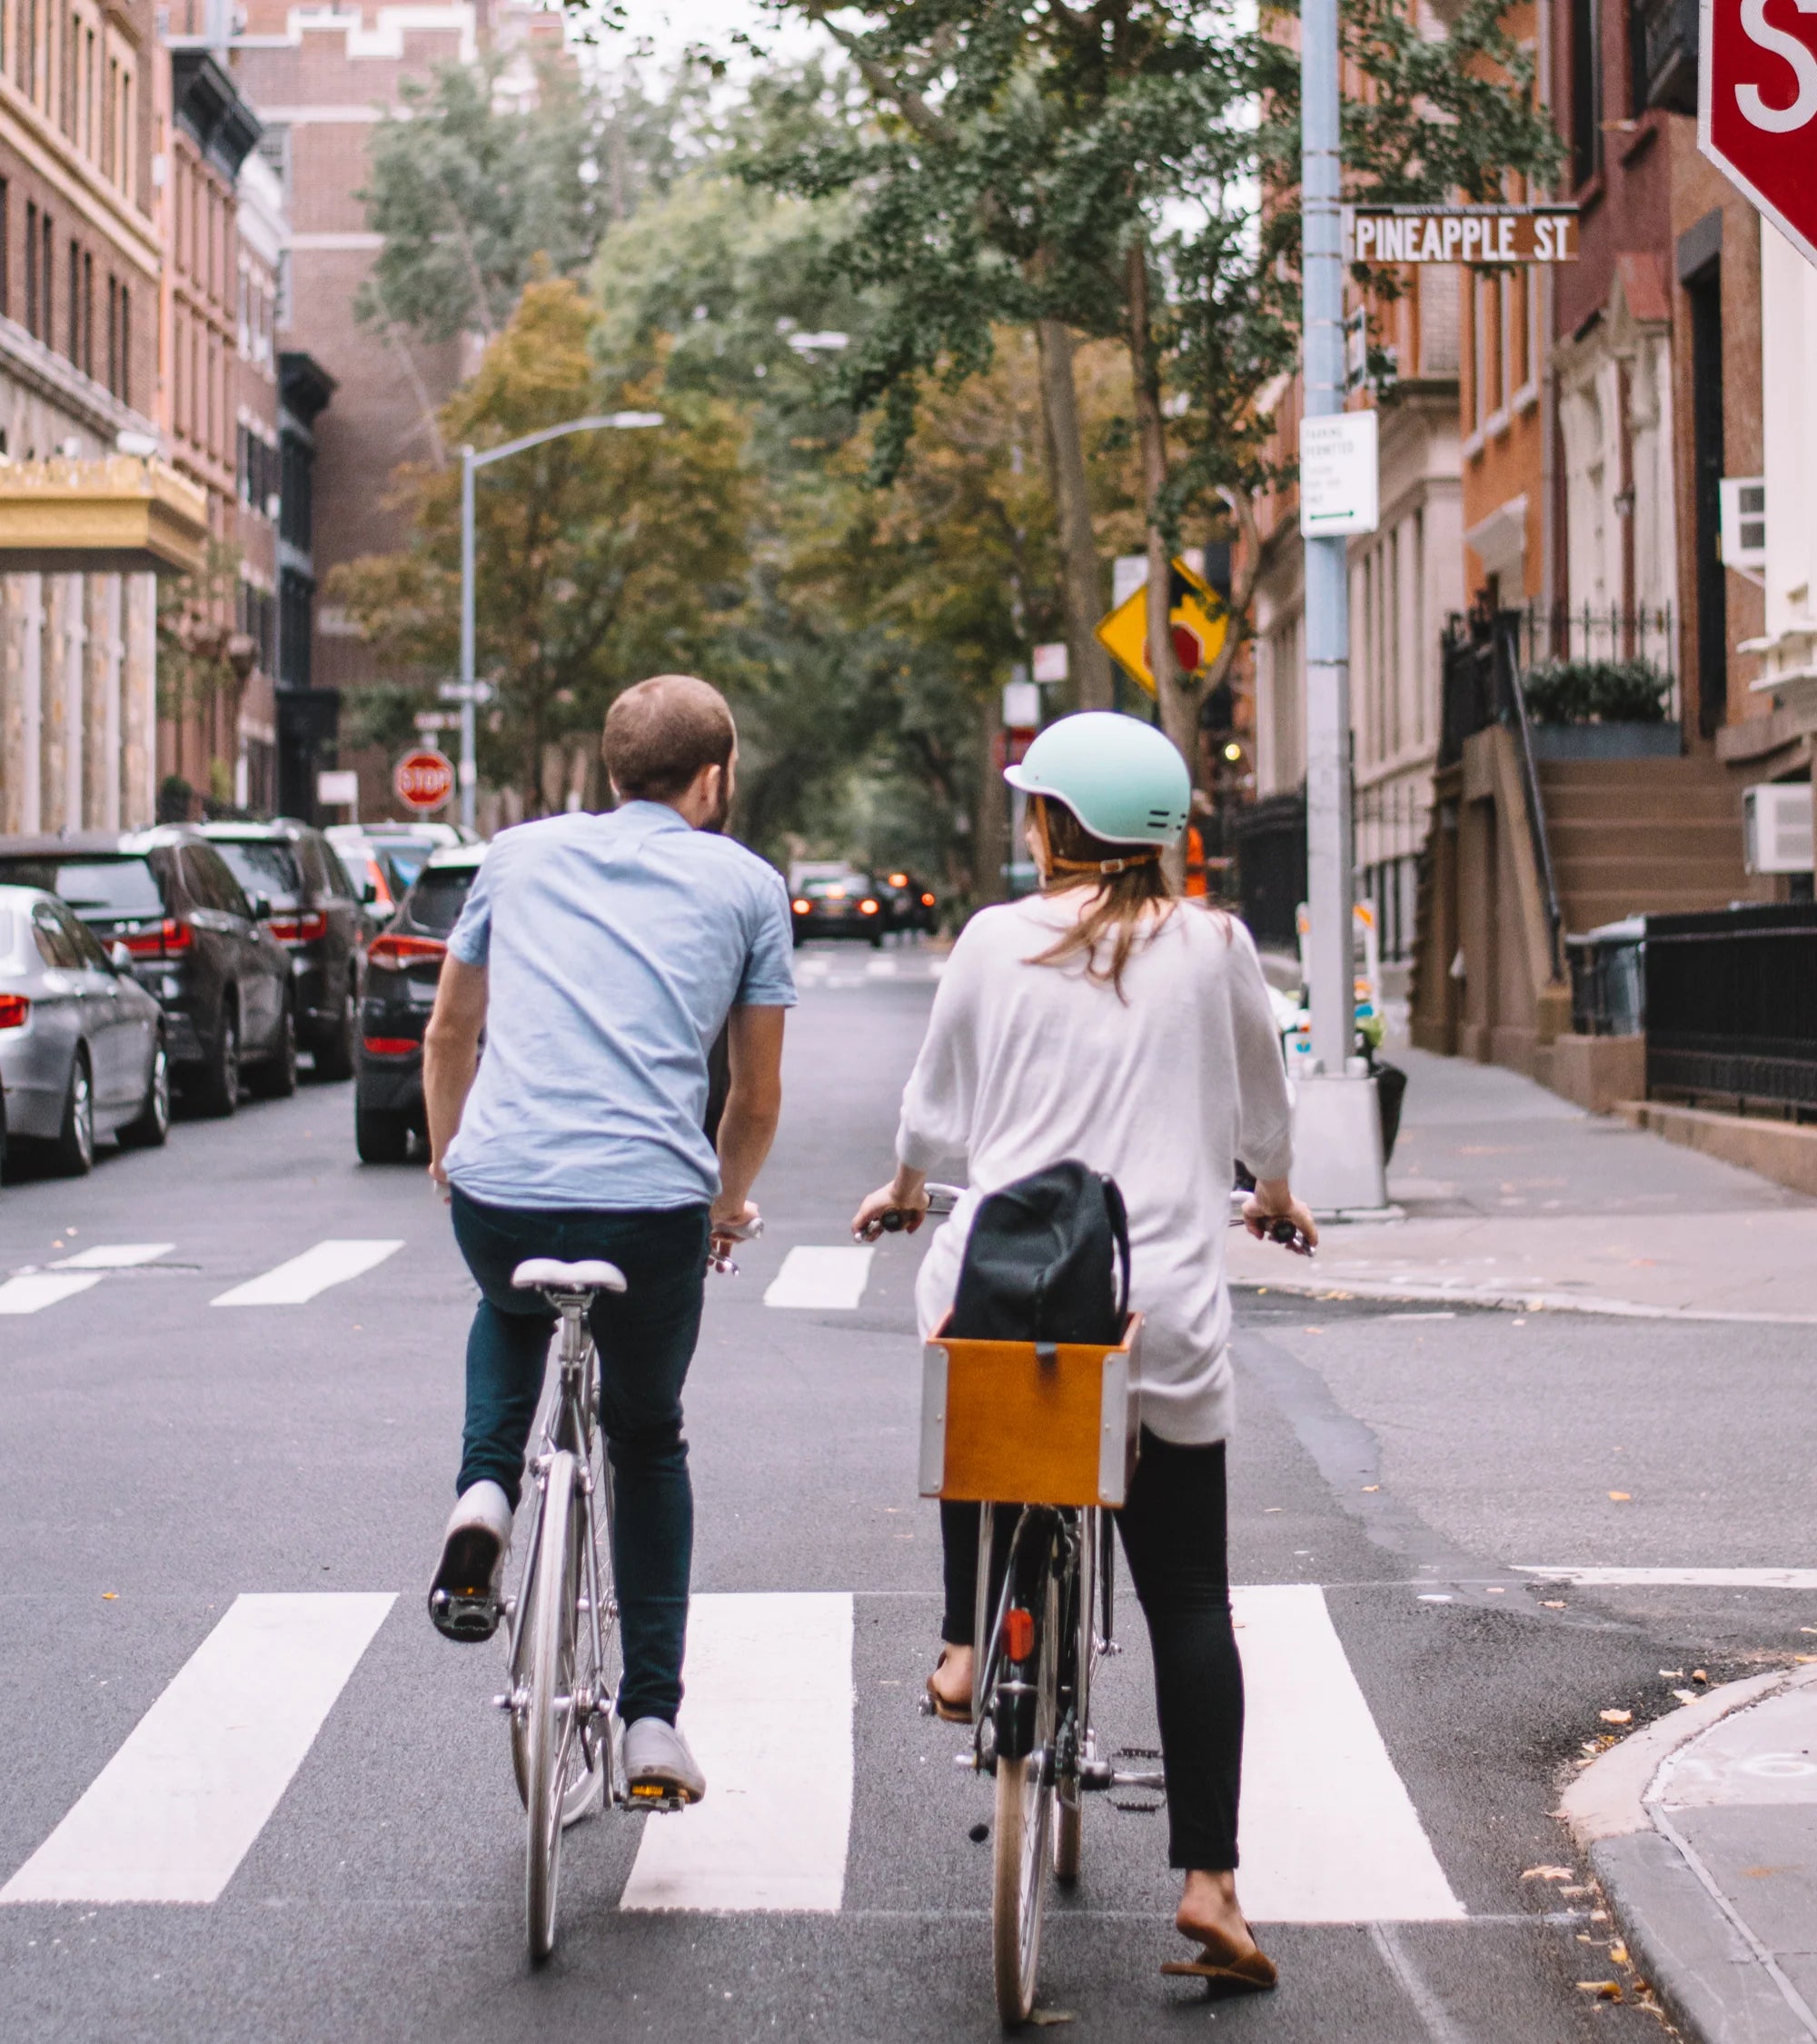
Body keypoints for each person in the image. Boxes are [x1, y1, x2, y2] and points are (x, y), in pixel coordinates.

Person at [851, 710, 1316, 1993]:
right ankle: (1211, 1882)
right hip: (1151, 1308)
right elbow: (1264, 1108)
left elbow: (935, 1114)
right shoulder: (1218, 945)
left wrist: (901, 1188)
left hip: (1010, 1287)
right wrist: (1272, 1190)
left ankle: (961, 1637)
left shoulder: (995, 940)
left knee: (973, 1379)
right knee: (1187, 1598)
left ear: (1056, 825)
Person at [422, 673, 795, 1806]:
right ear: (714, 776)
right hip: (649, 1209)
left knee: (509, 1300)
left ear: (607, 767)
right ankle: (648, 1723)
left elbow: (450, 1029)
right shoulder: (747, 884)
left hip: (504, 1189)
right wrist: (726, 1204)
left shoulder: (515, 856)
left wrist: (451, 1161)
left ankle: (484, 1495)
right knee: (648, 1440)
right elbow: (754, 1095)